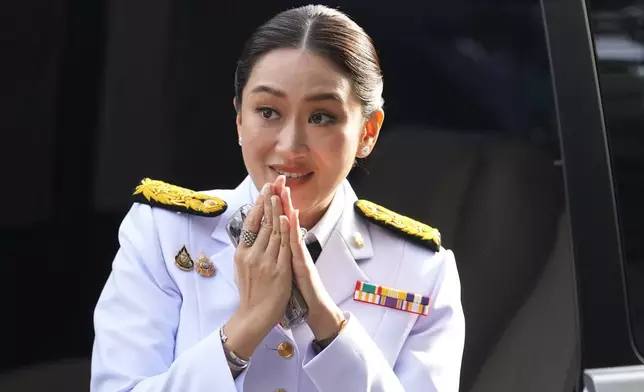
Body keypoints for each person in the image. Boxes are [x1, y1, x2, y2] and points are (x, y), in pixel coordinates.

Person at [90, 4, 465, 392]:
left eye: (321, 117)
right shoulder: (163, 233)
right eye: (268, 112)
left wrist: (329, 325)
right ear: (239, 118)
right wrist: (244, 329)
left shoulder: (422, 270)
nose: (290, 146)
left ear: (368, 132)